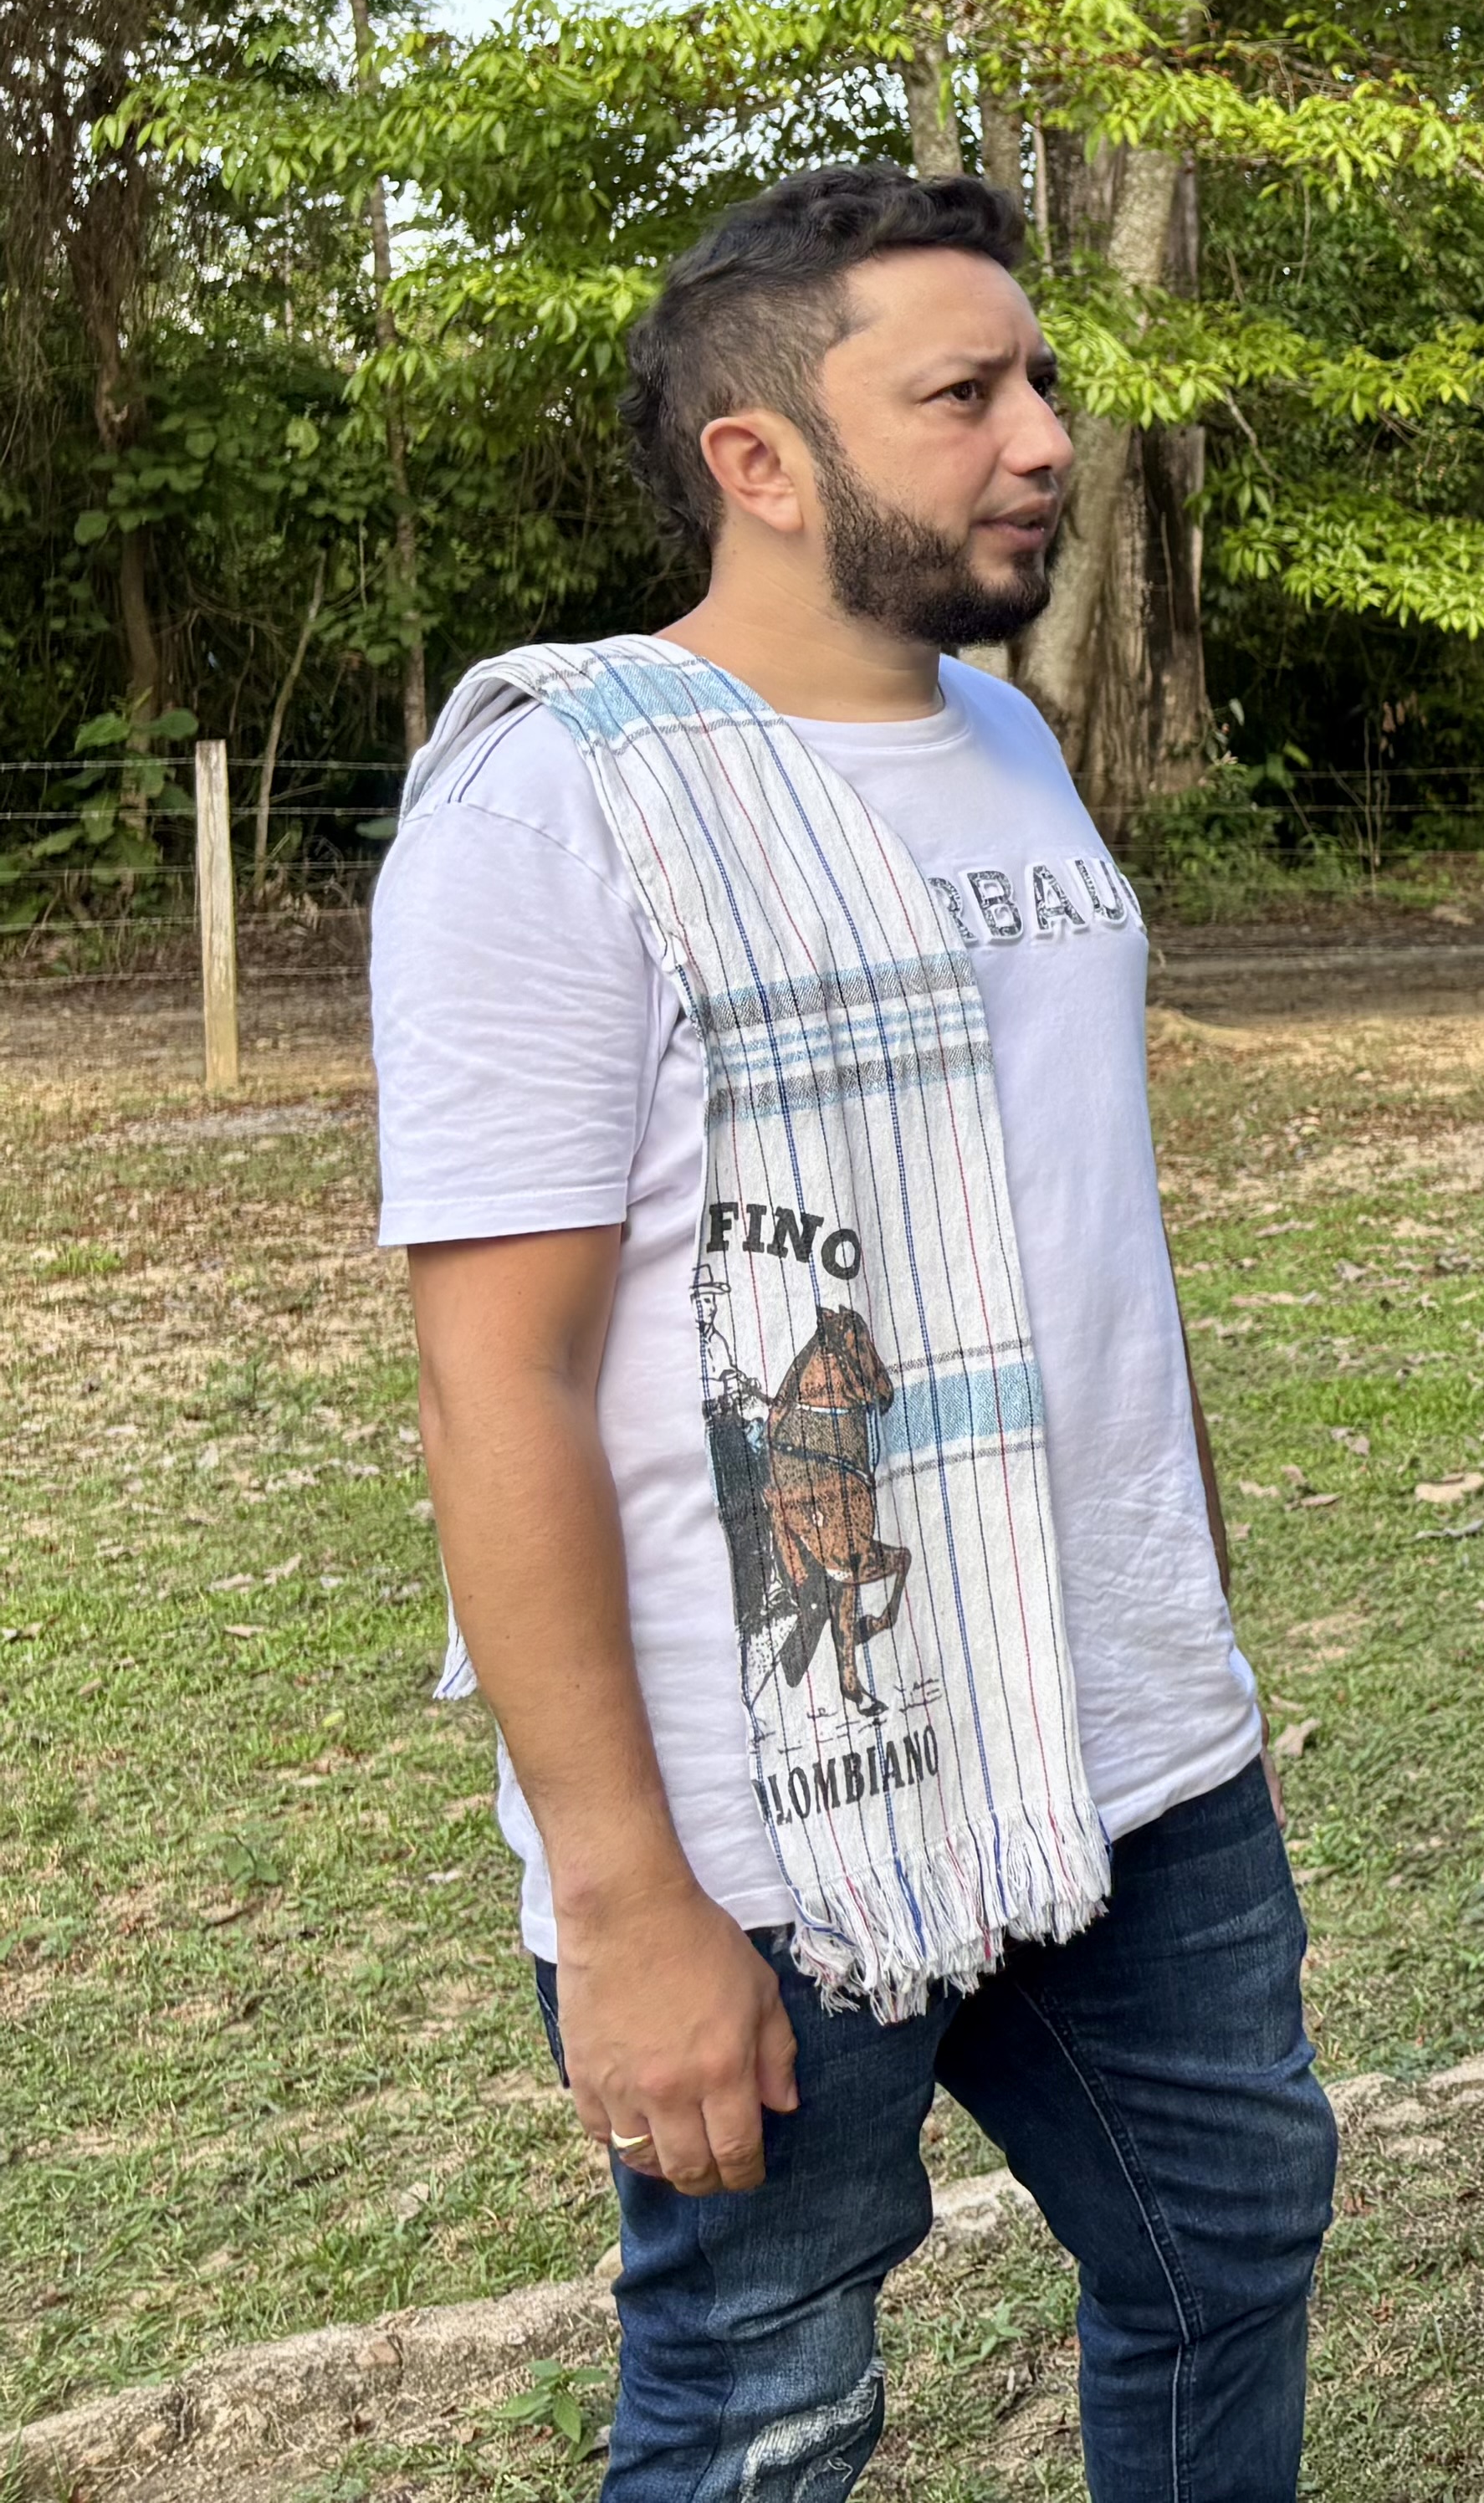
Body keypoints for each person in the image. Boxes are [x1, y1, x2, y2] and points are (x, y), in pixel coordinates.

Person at [379, 166, 1333, 2503]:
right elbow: (489, 1376)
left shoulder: (1005, 744)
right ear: (761, 458)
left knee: (1231, 2235)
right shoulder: (566, 796)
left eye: (1040, 379)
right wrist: (623, 1903)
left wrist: (1186, 1598)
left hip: (1123, 1729)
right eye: (964, 391)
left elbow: (1084, 1209)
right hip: (772, 1803)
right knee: (764, 2393)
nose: (1040, 435)